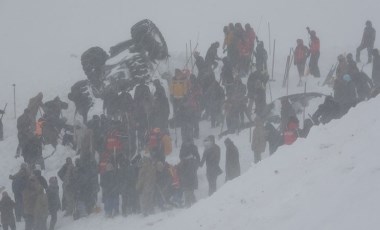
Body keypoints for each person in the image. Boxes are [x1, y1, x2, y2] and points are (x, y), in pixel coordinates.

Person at [179, 138, 200, 207]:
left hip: (191, 172)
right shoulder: (183, 148)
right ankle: (191, 203)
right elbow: (181, 157)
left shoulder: (193, 148)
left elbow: (198, 158)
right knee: (187, 189)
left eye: (189, 141)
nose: (187, 143)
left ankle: (192, 203)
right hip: (186, 173)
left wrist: (195, 164)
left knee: (190, 189)